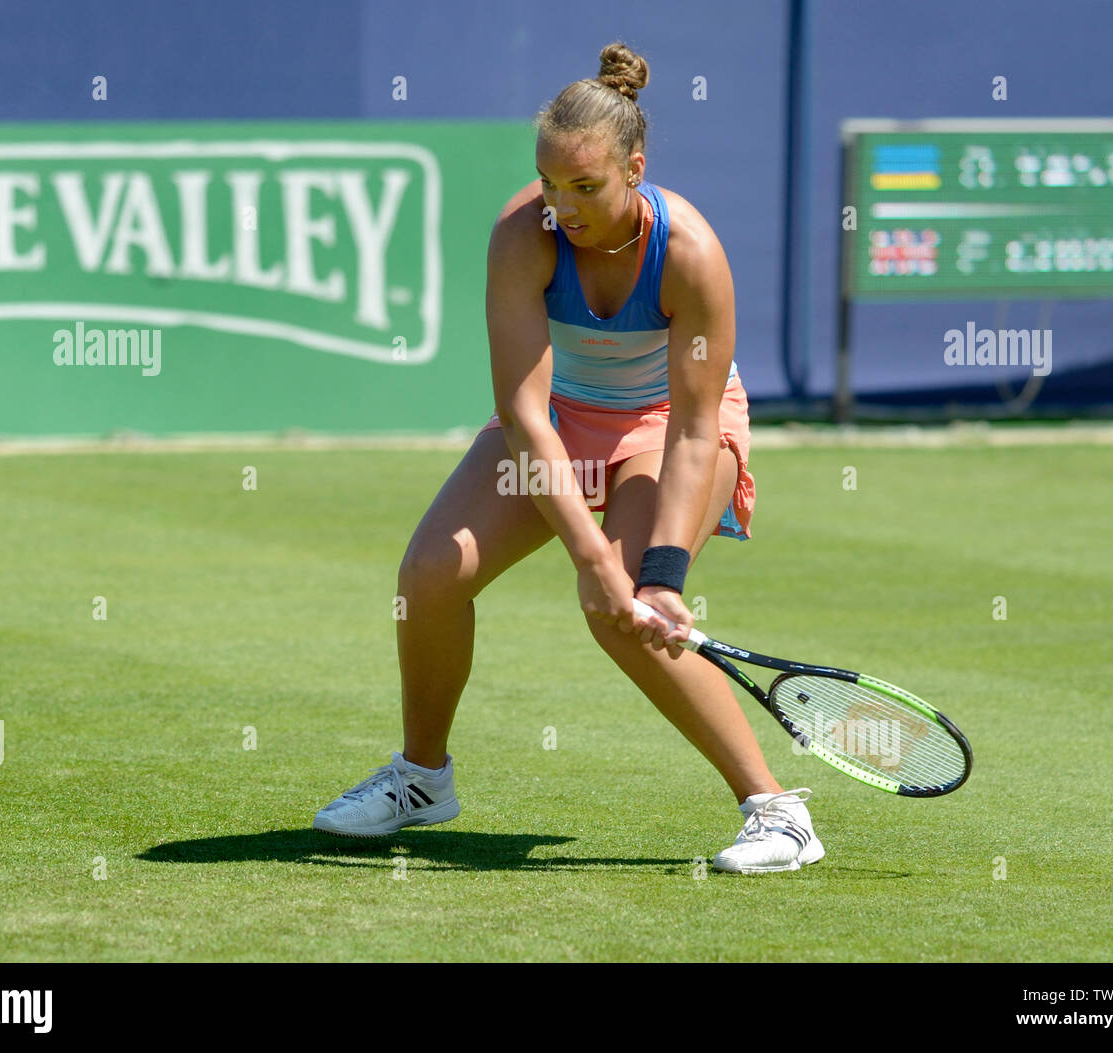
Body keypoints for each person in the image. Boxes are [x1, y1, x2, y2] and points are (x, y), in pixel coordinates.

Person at [314, 42, 823, 874]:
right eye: (551, 184)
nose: (566, 205)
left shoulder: (690, 253)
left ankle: (776, 809)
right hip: (558, 421)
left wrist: (656, 575)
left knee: (621, 614)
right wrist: (587, 555)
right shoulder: (525, 235)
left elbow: (696, 429)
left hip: (670, 428)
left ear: (636, 169)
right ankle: (422, 778)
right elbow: (522, 412)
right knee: (429, 575)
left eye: (587, 186)